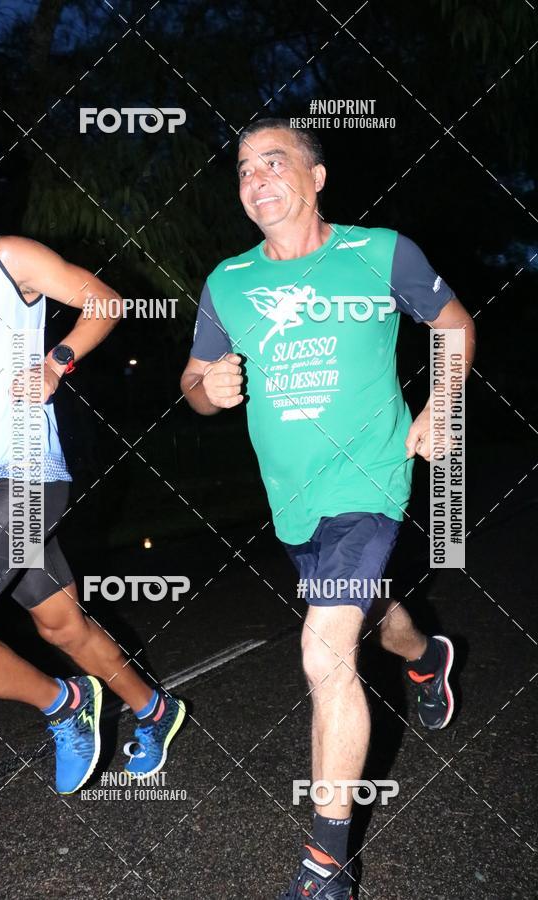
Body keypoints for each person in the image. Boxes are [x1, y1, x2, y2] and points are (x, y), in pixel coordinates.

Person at [180, 119, 475, 898]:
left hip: (369, 482)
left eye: (274, 162)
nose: (256, 179)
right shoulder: (228, 281)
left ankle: (326, 866)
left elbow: (451, 323)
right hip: (294, 500)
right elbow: (194, 380)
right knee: (366, 613)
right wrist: (205, 391)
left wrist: (442, 404)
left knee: (326, 652)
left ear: (316, 178)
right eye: (244, 169)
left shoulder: (379, 253)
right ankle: (424, 654)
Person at [0, 142, 185, 795]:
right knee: (61, 623)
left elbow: (105, 301)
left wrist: (57, 361)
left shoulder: (4, 257)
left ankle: (64, 704)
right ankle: (155, 711)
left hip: (22, 478)